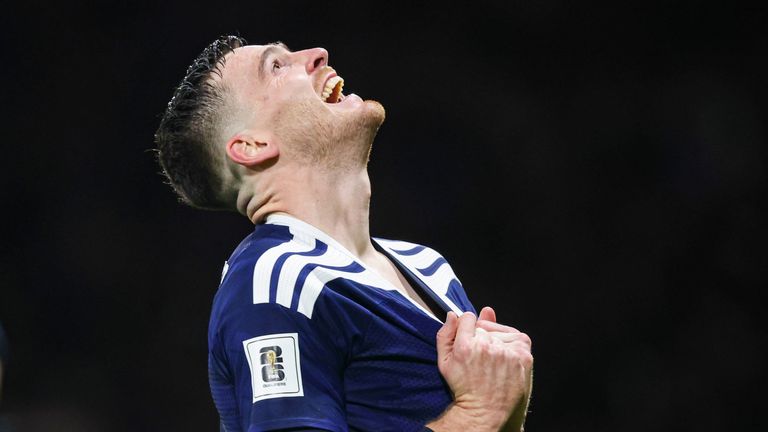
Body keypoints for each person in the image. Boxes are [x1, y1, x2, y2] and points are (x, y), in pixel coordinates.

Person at [155, 35, 533, 432]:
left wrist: (505, 412)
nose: (317, 54)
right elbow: (479, 416)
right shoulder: (275, 285)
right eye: (276, 66)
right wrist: (481, 415)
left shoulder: (429, 266)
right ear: (253, 145)